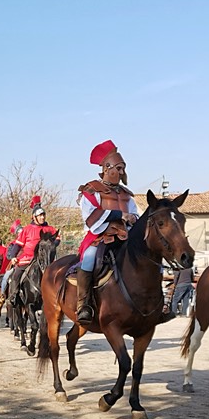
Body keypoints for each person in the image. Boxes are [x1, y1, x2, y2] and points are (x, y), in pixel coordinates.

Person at [76, 139, 142, 325]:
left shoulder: (126, 194)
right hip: (100, 236)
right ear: (107, 167)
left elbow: (135, 213)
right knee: (89, 258)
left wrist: (133, 219)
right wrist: (120, 214)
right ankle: (84, 304)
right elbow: (90, 216)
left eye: (123, 169)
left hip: (124, 235)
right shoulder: (91, 190)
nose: (122, 173)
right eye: (119, 168)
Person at [6, 196, 57, 291]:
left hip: (46, 260)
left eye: (43, 215)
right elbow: (18, 245)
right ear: (34, 217)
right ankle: (12, 298)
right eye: (40, 215)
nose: (42, 217)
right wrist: (13, 256)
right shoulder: (27, 229)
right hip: (27, 259)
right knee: (16, 275)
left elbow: (57, 240)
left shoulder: (50, 229)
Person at [0, 219, 24, 298]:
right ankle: (3, 293)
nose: (21, 234)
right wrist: (14, 258)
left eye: (22, 232)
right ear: (17, 234)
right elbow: (8, 255)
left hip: (27, 261)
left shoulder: (28, 241)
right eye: (19, 233)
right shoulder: (12, 244)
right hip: (16, 263)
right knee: (6, 277)